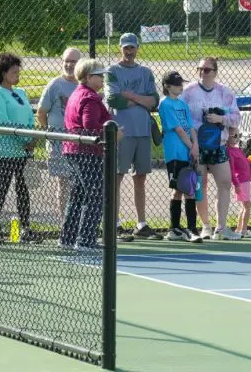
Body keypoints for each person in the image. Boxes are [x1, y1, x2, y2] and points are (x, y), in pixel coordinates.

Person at [62, 59, 124, 250]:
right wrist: (113, 134)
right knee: (95, 195)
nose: (102, 78)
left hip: (74, 150)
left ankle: (68, 238)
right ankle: (85, 240)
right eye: (99, 75)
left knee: (79, 195)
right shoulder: (90, 97)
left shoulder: (78, 94)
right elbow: (90, 127)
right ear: (88, 77)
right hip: (87, 152)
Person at [105, 33, 162, 240]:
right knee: (117, 176)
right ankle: (115, 223)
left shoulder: (145, 72)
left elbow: (154, 101)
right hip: (122, 132)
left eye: (132, 48)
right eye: (126, 48)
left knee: (141, 177)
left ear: (137, 48)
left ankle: (141, 223)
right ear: (120, 48)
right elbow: (113, 99)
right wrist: (141, 100)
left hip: (143, 131)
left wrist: (130, 96)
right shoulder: (112, 71)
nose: (129, 52)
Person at [181, 57, 242, 241]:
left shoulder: (225, 92)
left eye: (206, 70)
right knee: (200, 186)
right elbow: (179, 113)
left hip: (218, 145)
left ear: (215, 72)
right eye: (199, 69)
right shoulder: (188, 91)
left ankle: (221, 227)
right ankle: (205, 226)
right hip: (197, 146)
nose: (202, 72)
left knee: (224, 183)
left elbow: (236, 117)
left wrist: (220, 119)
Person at [0, 53, 38, 242]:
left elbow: (29, 119)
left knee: (23, 189)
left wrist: (32, 138)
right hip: (6, 150)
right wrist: (23, 139)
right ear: (2, 73)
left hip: (24, 151)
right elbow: (2, 121)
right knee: (2, 188)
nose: (17, 74)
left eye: (18, 70)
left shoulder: (21, 92)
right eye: (13, 71)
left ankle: (25, 227)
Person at [36, 47, 80, 245]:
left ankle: (79, 224)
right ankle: (66, 225)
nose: (69, 65)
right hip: (59, 145)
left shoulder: (83, 85)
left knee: (80, 184)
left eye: (73, 61)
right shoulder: (55, 85)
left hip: (81, 144)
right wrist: (51, 134)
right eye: (66, 61)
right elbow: (41, 112)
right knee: (64, 183)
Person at [158, 71, 202, 243]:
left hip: (188, 151)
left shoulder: (183, 104)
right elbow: (178, 129)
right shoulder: (165, 104)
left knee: (188, 189)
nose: (180, 86)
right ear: (167, 86)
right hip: (175, 152)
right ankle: (180, 229)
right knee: (180, 190)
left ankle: (185, 228)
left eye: (181, 83)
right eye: (176, 84)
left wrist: (195, 146)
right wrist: (191, 147)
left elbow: (190, 128)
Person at [227, 127, 251, 238]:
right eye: (235, 136)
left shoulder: (237, 150)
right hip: (241, 181)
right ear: (227, 138)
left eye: (239, 135)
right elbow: (232, 170)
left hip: (245, 181)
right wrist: (236, 184)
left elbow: (242, 162)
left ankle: (240, 229)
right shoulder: (230, 152)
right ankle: (243, 230)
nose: (238, 138)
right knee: (247, 205)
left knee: (244, 206)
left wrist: (249, 159)